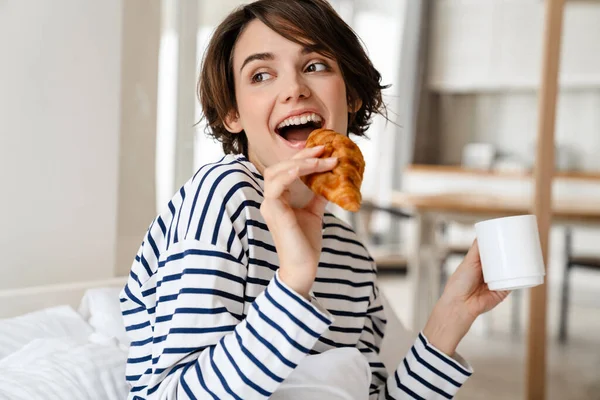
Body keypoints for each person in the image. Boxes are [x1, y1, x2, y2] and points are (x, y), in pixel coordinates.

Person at [120, 0, 510, 398]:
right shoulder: (222, 196)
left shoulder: (352, 256)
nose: (294, 89)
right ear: (233, 114)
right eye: (261, 74)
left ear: (352, 96)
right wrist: (293, 282)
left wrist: (450, 319)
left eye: (315, 66)